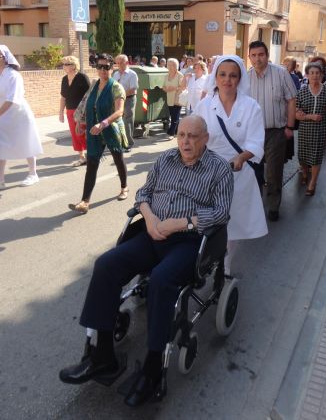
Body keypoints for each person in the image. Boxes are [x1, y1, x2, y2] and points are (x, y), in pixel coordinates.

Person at [59, 115, 233, 406]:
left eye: (192, 136)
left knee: (162, 281)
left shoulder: (219, 169)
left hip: (189, 242)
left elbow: (221, 213)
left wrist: (181, 224)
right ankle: (101, 356)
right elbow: (143, 193)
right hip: (152, 233)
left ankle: (153, 369)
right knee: (106, 265)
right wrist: (150, 218)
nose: (185, 142)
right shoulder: (166, 159)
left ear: (205, 139)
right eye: (181, 135)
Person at [195, 55, 267, 272]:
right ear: (215, 76)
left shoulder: (251, 107)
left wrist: (242, 157)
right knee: (205, 219)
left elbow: (256, 141)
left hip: (238, 173)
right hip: (207, 172)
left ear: (240, 78)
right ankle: (203, 258)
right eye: (223, 74)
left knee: (232, 224)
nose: (227, 80)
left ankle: (225, 265)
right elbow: (194, 136)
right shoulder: (204, 106)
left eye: (233, 75)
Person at [68, 54, 128, 213]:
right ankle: (84, 201)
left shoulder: (116, 87)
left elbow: (120, 111)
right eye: (99, 67)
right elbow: (87, 105)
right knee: (92, 164)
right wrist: (81, 123)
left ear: (112, 68)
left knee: (118, 159)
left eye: (106, 67)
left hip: (111, 128)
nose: (102, 70)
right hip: (94, 130)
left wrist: (103, 123)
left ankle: (124, 187)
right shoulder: (94, 85)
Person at [248, 40, 297, 221]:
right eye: (253, 55)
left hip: (276, 132)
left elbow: (292, 100)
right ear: (249, 57)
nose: (257, 59)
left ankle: (273, 206)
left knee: (274, 172)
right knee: (253, 170)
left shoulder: (281, 73)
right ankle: (255, 203)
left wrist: (290, 127)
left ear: (267, 56)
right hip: (253, 133)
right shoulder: (246, 77)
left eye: (261, 54)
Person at [0, 44, 43, 189]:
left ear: (5, 58)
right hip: (3, 115)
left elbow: (12, 99)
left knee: (26, 142)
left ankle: (33, 174)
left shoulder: (13, 75)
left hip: (19, 114)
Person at [295, 62, 326, 195]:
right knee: (302, 156)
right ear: (307, 75)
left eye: (317, 73)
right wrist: (309, 116)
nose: (315, 75)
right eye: (312, 73)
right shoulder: (302, 92)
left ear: (321, 75)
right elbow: (296, 113)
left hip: (321, 130)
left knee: (316, 157)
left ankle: (312, 183)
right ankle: (304, 173)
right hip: (304, 129)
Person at [59, 55, 90, 166]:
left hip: (82, 111)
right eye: (63, 64)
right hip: (70, 110)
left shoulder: (82, 77)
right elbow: (63, 97)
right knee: (75, 134)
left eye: (66, 64)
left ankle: (91, 154)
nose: (64, 66)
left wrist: (88, 111)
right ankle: (82, 157)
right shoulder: (64, 79)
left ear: (73, 66)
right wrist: (61, 113)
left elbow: (89, 95)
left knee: (83, 133)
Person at [112, 54, 138, 152]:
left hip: (129, 99)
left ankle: (128, 144)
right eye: (117, 63)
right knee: (117, 121)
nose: (118, 65)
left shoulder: (132, 74)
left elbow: (132, 89)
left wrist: (121, 96)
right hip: (117, 100)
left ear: (126, 63)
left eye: (120, 63)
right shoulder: (115, 74)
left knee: (127, 121)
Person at [162, 58, 184, 139]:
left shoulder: (180, 75)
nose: (170, 67)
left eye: (172, 65)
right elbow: (163, 86)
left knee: (175, 117)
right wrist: (166, 89)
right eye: (169, 65)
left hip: (177, 99)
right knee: (173, 116)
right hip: (169, 98)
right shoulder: (166, 75)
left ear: (176, 66)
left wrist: (174, 88)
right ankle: (177, 131)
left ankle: (171, 133)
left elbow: (182, 87)